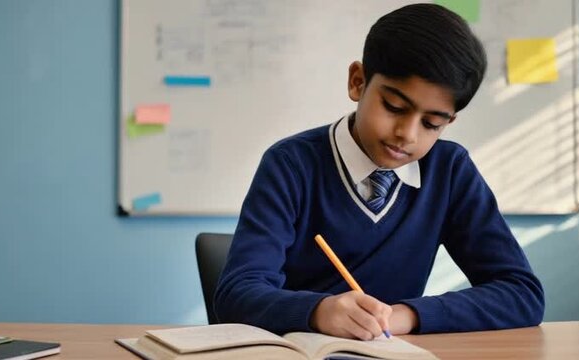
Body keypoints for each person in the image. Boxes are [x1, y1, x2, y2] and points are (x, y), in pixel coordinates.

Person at [214, 3, 544, 340]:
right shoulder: (291, 164)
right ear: (358, 82)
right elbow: (236, 294)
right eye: (394, 107)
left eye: (431, 123)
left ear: (449, 122)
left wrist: (405, 316)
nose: (408, 133)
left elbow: (521, 294)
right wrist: (317, 311)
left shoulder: (449, 171)